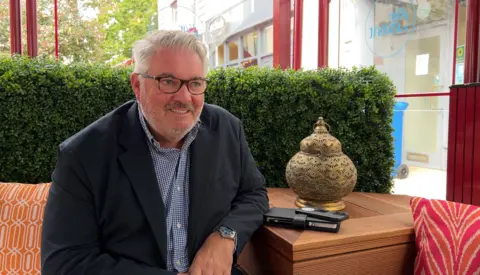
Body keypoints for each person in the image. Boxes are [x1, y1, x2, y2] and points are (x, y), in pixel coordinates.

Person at [41, 30, 270, 275]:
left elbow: (253, 194)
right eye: (168, 81)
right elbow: (63, 263)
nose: (184, 97)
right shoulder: (84, 154)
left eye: (195, 83)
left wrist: (225, 236)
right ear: (137, 85)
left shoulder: (226, 129)